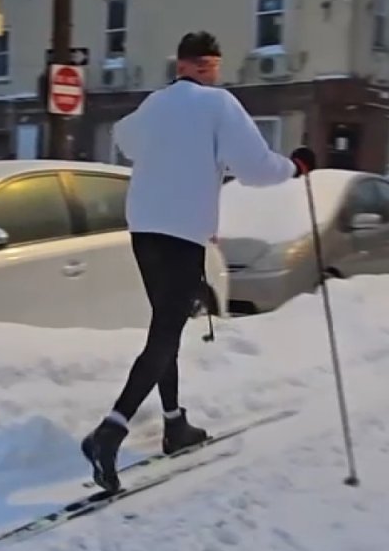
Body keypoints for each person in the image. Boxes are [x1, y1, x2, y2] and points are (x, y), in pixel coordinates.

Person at [80, 31, 316, 493]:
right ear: (206, 66)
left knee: (164, 328)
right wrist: (297, 167)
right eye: (211, 65)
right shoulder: (218, 104)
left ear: (179, 64)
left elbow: (123, 138)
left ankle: (174, 424)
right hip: (184, 232)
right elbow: (256, 169)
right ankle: (111, 430)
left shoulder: (154, 104)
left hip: (144, 228)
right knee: (166, 332)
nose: (212, 73)